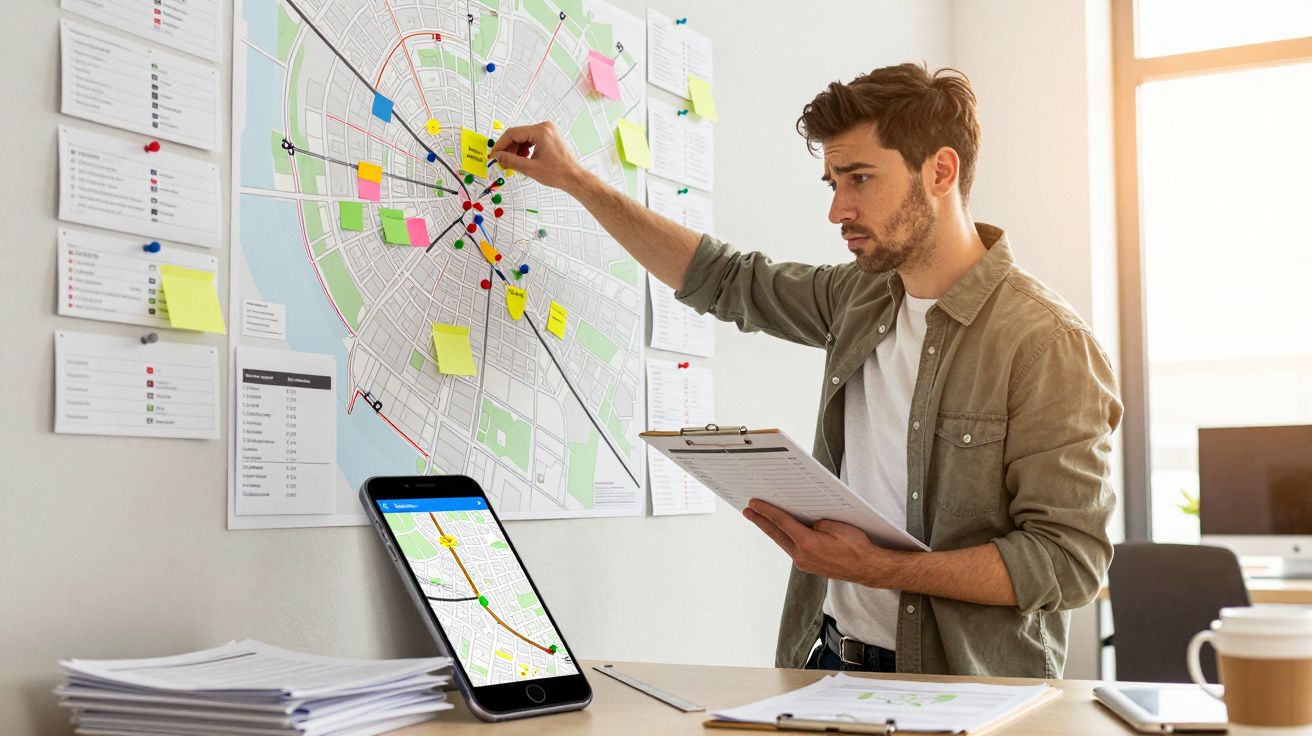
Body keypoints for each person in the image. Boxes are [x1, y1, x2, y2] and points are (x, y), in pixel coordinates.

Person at [489, 62, 1122, 678]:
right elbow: (726, 279)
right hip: (826, 668)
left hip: (963, 696)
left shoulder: (1047, 345)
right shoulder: (861, 297)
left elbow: (1070, 563)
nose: (838, 209)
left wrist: (879, 568)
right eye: (832, 183)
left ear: (941, 171)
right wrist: (576, 180)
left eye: (860, 179)